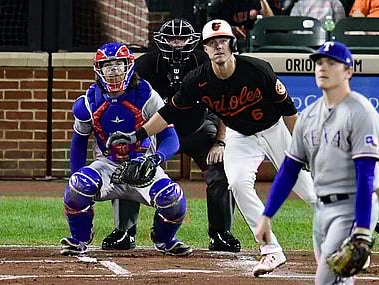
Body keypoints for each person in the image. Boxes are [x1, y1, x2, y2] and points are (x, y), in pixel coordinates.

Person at [106, 19, 317, 277]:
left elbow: (289, 111)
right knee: (238, 183)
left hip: (275, 130)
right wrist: (136, 135)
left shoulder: (258, 69)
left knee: (308, 191)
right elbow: (169, 112)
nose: (218, 47)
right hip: (241, 136)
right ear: (205, 49)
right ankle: (270, 249)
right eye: (212, 43)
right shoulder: (197, 80)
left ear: (232, 44)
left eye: (223, 41)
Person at [101, 18, 241, 253]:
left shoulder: (205, 62)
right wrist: (135, 139)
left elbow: (225, 106)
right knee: (129, 167)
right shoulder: (144, 66)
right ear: (161, 41)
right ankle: (124, 231)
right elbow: (126, 104)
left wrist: (220, 142)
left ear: (193, 41)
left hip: (197, 128)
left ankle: (221, 233)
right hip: (156, 132)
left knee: (223, 169)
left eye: (182, 39)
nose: (177, 44)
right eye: (172, 39)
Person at [255, 41, 379, 284]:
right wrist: (267, 214)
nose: (323, 68)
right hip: (322, 209)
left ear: (348, 71)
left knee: (325, 280)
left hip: (351, 208)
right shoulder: (309, 115)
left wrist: (363, 229)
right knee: (340, 281)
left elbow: (366, 174)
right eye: (319, 63)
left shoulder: (362, 114)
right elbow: (289, 169)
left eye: (331, 63)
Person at [60, 42, 192, 257]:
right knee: (78, 185)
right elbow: (79, 141)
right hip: (107, 165)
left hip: (143, 163)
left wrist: (155, 159)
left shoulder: (147, 96)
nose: (113, 70)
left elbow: (171, 138)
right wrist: (75, 177)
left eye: (118, 64)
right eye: (107, 65)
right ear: (98, 69)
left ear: (128, 66)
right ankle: (80, 239)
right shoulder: (87, 102)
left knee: (173, 198)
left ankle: (164, 240)